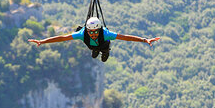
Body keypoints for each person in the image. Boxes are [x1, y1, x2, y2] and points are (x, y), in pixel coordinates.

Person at [28, 17, 160, 62]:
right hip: (92, 46)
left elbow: (125, 37)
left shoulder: (106, 33)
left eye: (95, 32)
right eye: (90, 32)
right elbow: (62, 38)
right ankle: (97, 51)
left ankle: (105, 51)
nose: (92, 34)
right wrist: (43, 41)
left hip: (103, 45)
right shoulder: (82, 33)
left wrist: (144, 40)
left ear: (99, 30)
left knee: (103, 55)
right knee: (93, 55)